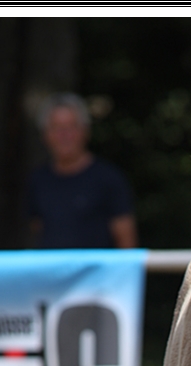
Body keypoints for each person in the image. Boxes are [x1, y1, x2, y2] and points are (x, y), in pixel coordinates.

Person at [28, 93, 138, 249]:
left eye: (70, 127)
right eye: (57, 128)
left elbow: (127, 243)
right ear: (45, 134)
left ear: (85, 131)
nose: (64, 136)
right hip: (53, 273)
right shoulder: (38, 181)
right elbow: (37, 231)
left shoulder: (108, 179)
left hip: (98, 273)